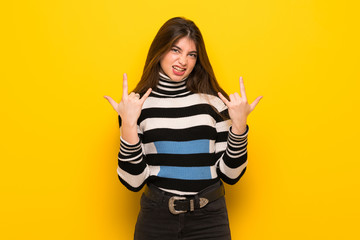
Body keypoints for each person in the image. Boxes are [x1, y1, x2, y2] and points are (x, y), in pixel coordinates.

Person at [104, 17, 262, 240]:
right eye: (175, 50)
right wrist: (128, 125)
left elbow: (231, 175)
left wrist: (239, 127)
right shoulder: (136, 106)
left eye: (191, 54)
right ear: (160, 50)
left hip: (209, 219)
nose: (183, 61)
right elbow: (133, 181)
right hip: (156, 218)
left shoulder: (215, 102)